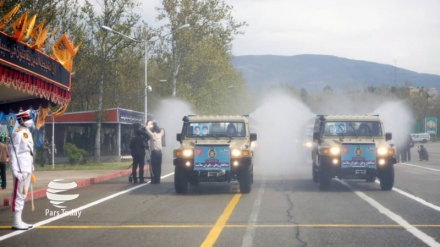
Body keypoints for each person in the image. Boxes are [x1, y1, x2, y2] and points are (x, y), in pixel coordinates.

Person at [9, 109, 35, 230]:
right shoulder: (17, 133)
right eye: (26, 119)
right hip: (20, 168)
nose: (29, 121)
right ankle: (15, 221)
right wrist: (14, 170)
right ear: (20, 120)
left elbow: (29, 152)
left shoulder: (27, 132)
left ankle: (19, 220)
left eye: (28, 118)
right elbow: (13, 153)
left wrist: (31, 166)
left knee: (23, 195)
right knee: (18, 195)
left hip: (27, 167)